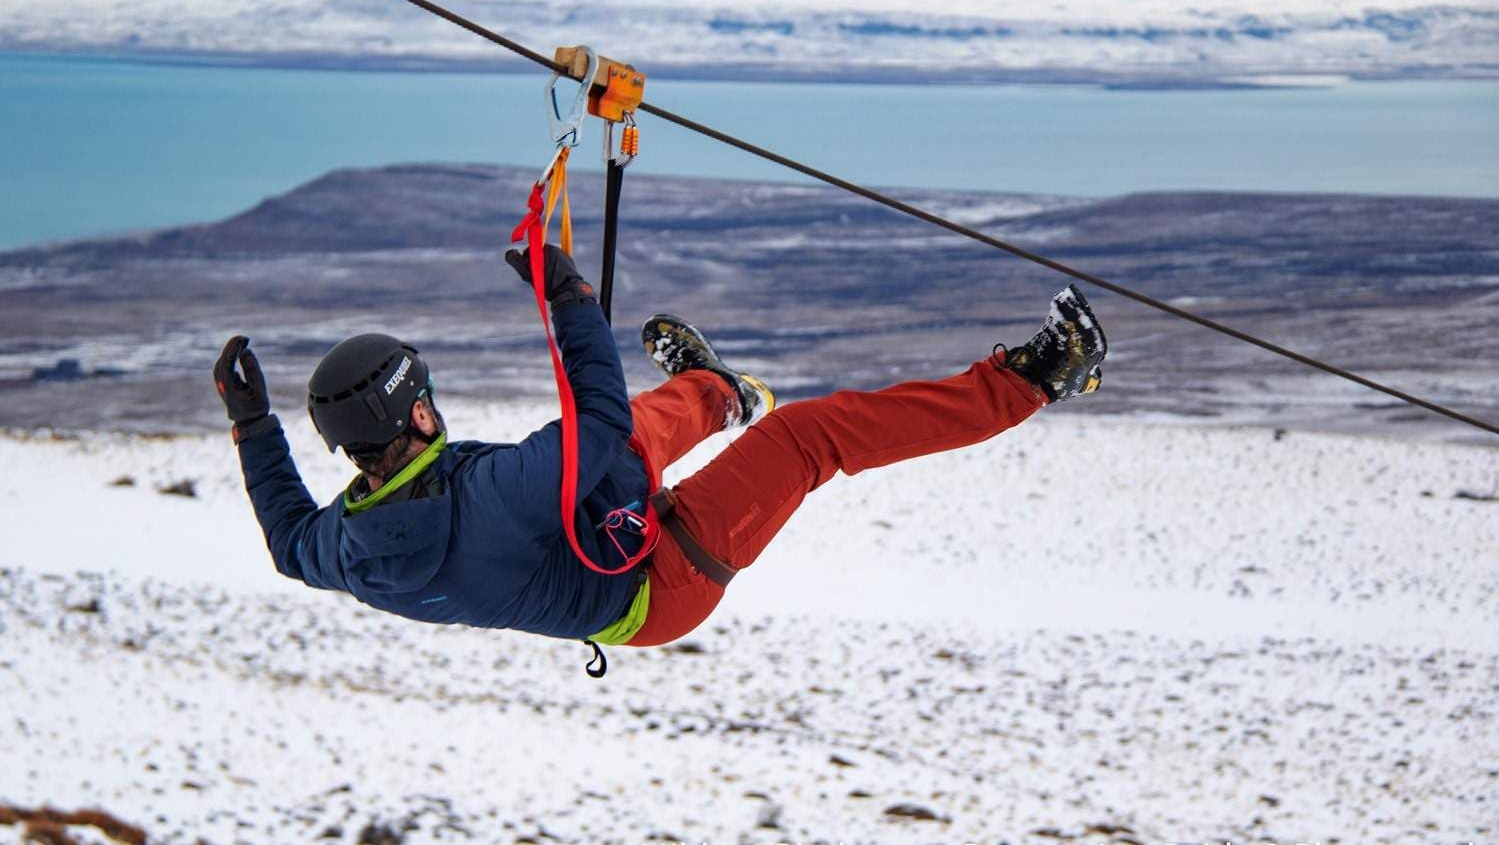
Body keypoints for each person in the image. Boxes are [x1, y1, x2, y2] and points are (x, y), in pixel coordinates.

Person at [215, 245, 1106, 663]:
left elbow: (289, 543)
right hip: (657, 588)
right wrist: (569, 298)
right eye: (426, 399)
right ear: (410, 419)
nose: (435, 410)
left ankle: (719, 390)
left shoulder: (350, 545)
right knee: (805, 437)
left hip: (587, 538)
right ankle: (1033, 381)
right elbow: (593, 414)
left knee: (614, 452)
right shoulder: (488, 496)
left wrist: (254, 428)